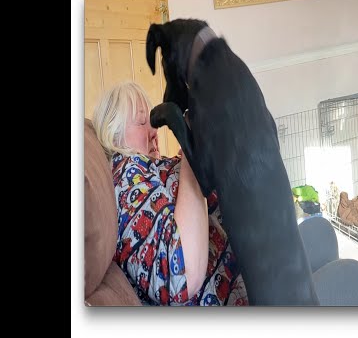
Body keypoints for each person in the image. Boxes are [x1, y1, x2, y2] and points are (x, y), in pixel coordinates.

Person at [92, 81, 248, 306]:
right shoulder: (125, 174)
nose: (154, 131)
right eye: (141, 122)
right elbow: (181, 274)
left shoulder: (156, 167)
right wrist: (190, 150)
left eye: (153, 122)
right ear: (113, 133)